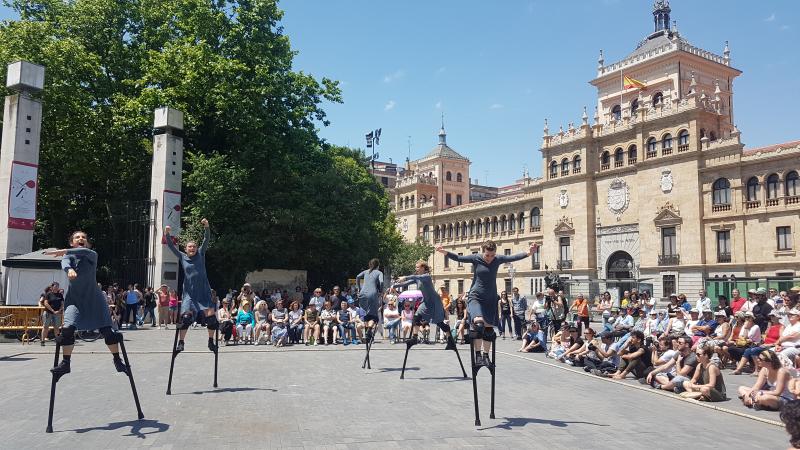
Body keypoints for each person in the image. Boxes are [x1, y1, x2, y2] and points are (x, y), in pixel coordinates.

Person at [45, 231, 129, 380]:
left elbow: (82, 251)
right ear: (72, 242)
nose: (81, 239)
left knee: (108, 332)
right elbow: (65, 262)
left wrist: (64, 250)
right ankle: (65, 364)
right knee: (67, 330)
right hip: (75, 300)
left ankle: (117, 360)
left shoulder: (91, 255)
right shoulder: (68, 257)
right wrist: (69, 269)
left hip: (94, 299)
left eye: (83, 237)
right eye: (77, 237)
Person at [438, 240, 536, 367]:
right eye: (487, 255)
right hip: (476, 297)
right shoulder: (476, 258)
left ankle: (485, 356)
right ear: (482, 252)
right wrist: (444, 252)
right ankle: (477, 355)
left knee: (489, 330)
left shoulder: (497, 259)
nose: (490, 258)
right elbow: (458, 257)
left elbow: (513, 257)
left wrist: (529, 252)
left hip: (490, 299)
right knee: (479, 324)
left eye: (492, 255)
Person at [164, 218, 217, 353]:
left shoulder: (200, 253)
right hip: (189, 294)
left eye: (194, 246)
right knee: (186, 319)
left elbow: (206, 240)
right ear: (186, 249)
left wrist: (207, 226)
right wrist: (167, 234)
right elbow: (170, 246)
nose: (192, 248)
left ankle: (210, 341)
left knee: (211, 319)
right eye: (189, 247)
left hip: (204, 292)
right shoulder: (182, 256)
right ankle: (181, 342)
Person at [392, 259, 459, 350]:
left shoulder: (426, 276)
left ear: (423, 267)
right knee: (416, 317)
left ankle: (450, 340)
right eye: (416, 267)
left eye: (418, 267)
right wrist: (394, 286)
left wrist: (406, 277)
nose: (416, 269)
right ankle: (415, 338)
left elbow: (415, 278)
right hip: (426, 302)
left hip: (434, 302)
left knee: (439, 323)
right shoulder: (417, 278)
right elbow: (407, 282)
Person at [356, 258, 384, 344]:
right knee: (374, 315)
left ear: (369, 265)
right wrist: (380, 290)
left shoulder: (365, 272)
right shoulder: (379, 272)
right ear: (378, 266)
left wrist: (359, 289)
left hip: (362, 294)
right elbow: (382, 281)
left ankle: (367, 331)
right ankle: (369, 330)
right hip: (372, 294)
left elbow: (357, 277)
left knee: (366, 313)